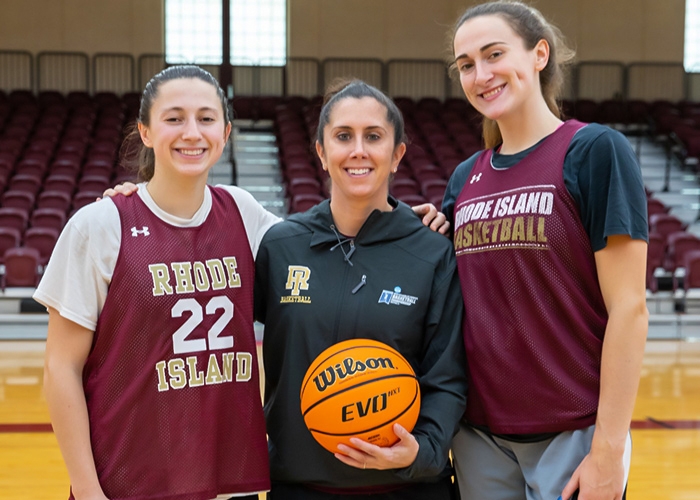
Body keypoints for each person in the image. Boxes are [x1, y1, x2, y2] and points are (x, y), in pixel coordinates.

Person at [36, 65, 278, 500]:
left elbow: (325, 248)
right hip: (128, 481)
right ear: (145, 131)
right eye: (174, 118)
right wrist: (89, 492)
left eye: (206, 118)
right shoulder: (100, 225)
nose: (192, 132)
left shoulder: (243, 213)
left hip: (229, 480)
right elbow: (60, 368)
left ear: (224, 132)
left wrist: (400, 219)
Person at [441, 2, 649, 500]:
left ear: (539, 54)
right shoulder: (463, 179)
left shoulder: (595, 151)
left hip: (572, 434)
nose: (480, 74)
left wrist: (607, 449)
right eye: (466, 64)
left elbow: (630, 309)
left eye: (493, 54)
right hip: (478, 439)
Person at [254, 79, 468, 500]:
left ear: (397, 154)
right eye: (343, 136)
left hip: (408, 487)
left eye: (374, 137)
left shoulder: (433, 253)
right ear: (321, 151)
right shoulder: (281, 247)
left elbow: (448, 376)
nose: (358, 150)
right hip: (301, 487)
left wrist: (420, 451)